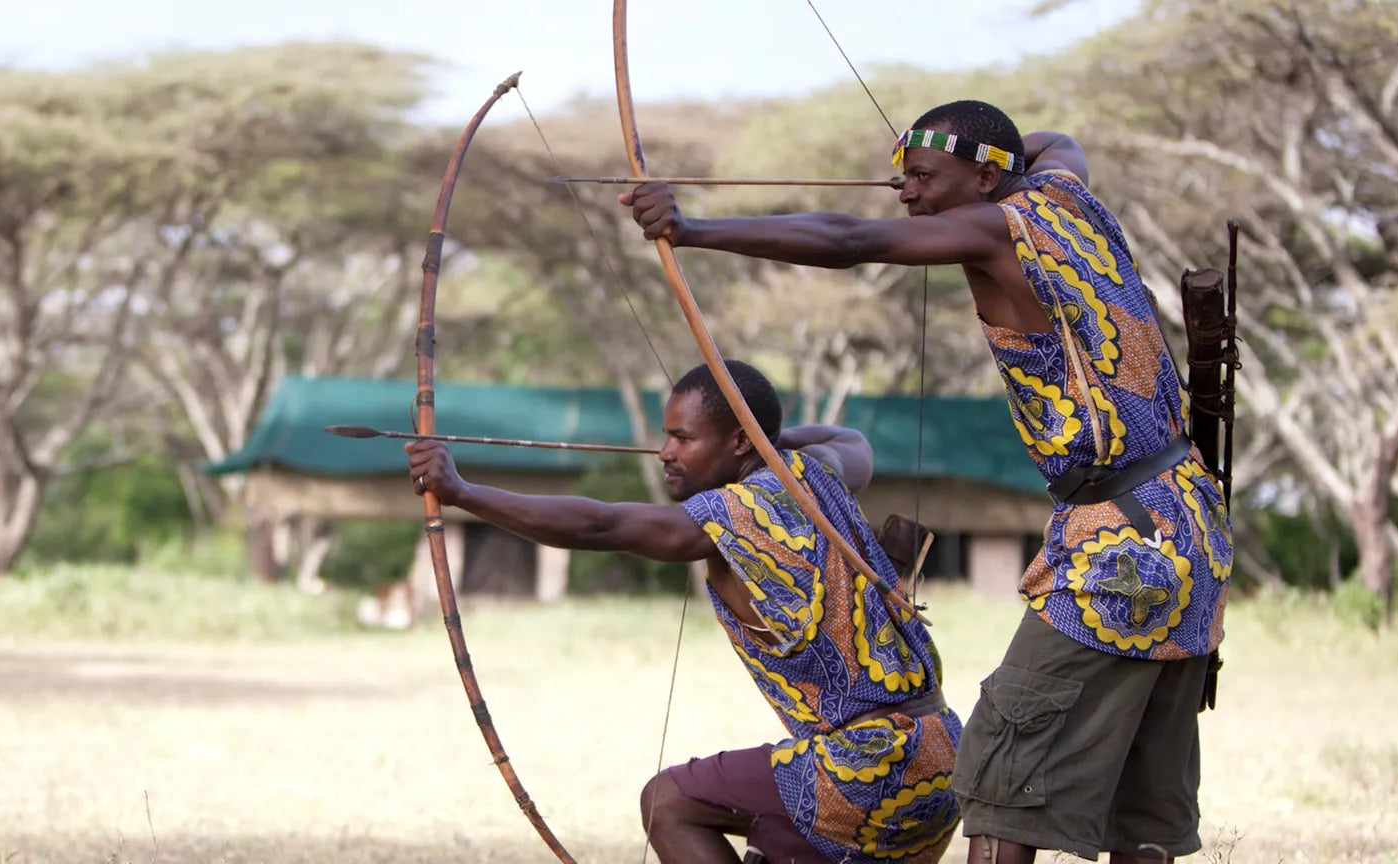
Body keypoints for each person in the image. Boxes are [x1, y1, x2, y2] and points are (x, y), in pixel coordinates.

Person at [619, 100, 1235, 863]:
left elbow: (849, 240)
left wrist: (694, 230)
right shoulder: (1065, 193)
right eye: (899, 177)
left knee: (999, 769)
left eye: (919, 178)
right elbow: (1054, 141)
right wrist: (955, 158)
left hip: (1119, 547)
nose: (903, 195)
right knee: (1144, 796)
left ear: (984, 176)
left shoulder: (994, 225)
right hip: (1191, 528)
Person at [406, 360, 962, 864]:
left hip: (870, 768)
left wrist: (461, 492)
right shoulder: (814, 471)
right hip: (943, 757)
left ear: (740, 443)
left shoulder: (736, 514)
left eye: (682, 437)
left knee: (667, 802)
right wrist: (766, 444)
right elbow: (852, 439)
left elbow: (601, 525)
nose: (665, 452)